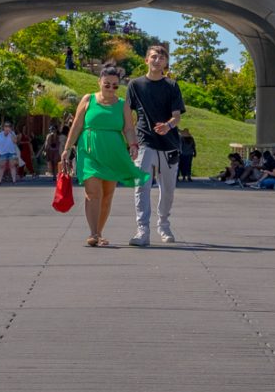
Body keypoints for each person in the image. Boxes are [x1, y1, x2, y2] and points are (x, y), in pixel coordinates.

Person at [63, 63, 148, 246]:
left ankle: (99, 232)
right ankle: (93, 233)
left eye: (115, 85)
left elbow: (128, 128)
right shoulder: (88, 100)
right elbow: (77, 125)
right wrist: (68, 148)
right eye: (107, 84)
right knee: (93, 191)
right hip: (90, 150)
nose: (110, 88)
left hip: (113, 152)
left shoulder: (123, 105)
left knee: (107, 195)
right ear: (99, 82)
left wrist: (133, 144)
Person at [126, 41, 185, 246]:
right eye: (153, 56)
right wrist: (131, 142)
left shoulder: (171, 85)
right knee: (141, 185)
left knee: (167, 189)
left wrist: (168, 126)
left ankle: (163, 224)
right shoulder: (135, 85)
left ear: (166, 62)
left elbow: (177, 116)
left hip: (168, 142)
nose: (157, 60)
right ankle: (142, 230)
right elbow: (128, 115)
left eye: (161, 58)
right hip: (144, 141)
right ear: (146, 60)